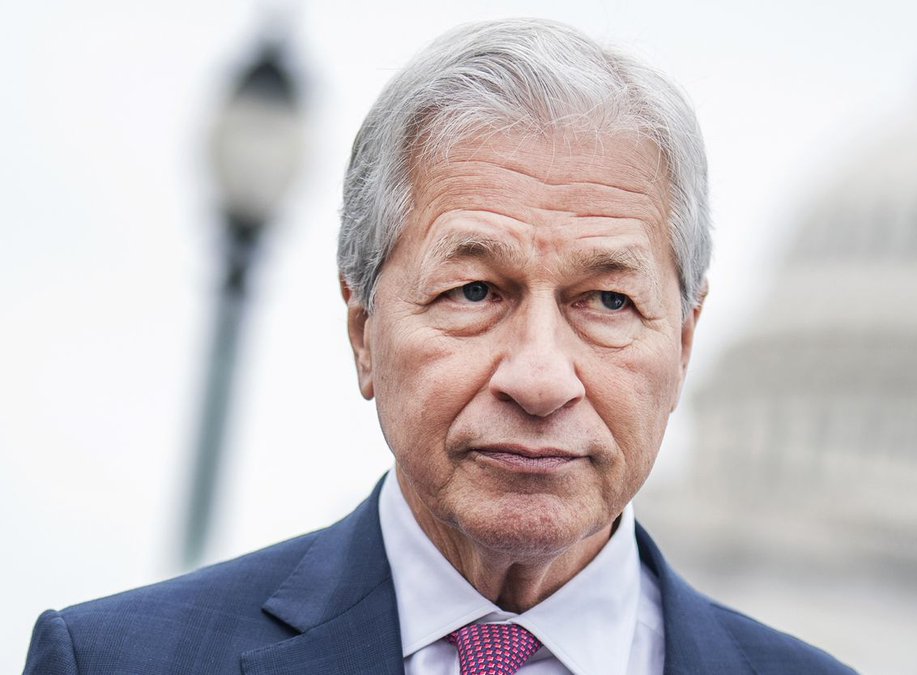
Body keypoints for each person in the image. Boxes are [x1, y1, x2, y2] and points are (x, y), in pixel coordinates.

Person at [24, 18, 854, 675]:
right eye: (474, 291)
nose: (539, 378)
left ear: (683, 342)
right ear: (363, 330)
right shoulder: (114, 660)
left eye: (607, 300)